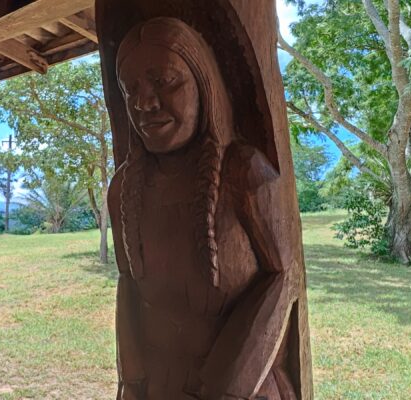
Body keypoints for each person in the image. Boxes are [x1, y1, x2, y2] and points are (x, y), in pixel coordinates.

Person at [109, 17, 298, 400]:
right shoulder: (124, 188)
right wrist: (132, 381)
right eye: (131, 90)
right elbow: (128, 284)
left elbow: (281, 279)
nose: (144, 103)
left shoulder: (245, 173)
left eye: (164, 81)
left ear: (203, 85)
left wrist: (226, 388)